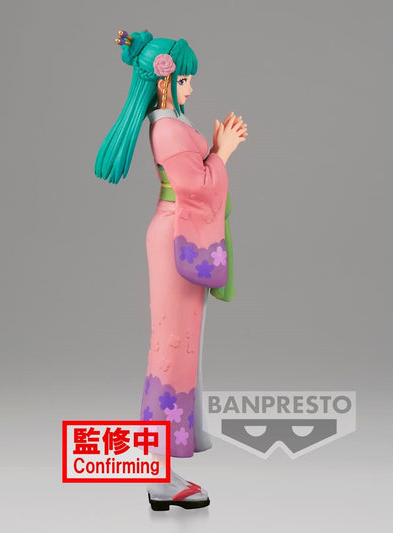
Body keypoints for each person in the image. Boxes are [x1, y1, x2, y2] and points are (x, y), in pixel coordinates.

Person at [95, 30, 247, 511]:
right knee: (170, 354)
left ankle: (160, 471)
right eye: (185, 80)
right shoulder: (167, 129)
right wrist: (222, 152)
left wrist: (214, 151)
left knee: (176, 352)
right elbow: (197, 188)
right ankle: (158, 476)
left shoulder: (172, 124)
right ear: (165, 81)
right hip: (178, 235)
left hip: (176, 232)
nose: (191, 88)